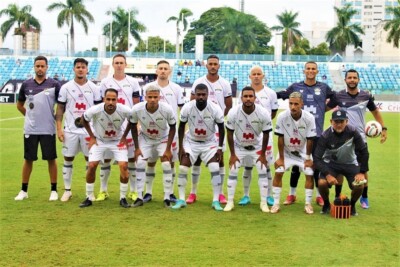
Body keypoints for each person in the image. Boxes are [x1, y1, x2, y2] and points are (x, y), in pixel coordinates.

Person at [326, 69, 387, 209]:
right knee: (340, 168)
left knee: (363, 169)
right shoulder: (338, 95)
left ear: (358, 80)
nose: (352, 80)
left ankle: (364, 197)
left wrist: (383, 128)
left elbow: (375, 111)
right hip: (341, 138)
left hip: (360, 138)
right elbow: (325, 108)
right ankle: (337, 195)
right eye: (349, 78)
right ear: (345, 80)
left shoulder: (365, 95)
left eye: (354, 77)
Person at [277, 61, 334, 207]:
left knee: (315, 165)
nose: (310, 71)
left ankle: (318, 195)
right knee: (296, 166)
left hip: (317, 133)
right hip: (298, 134)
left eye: (313, 69)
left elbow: (335, 99)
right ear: (304, 71)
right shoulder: (296, 87)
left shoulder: (323, 87)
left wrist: (323, 109)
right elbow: (283, 94)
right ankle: (292, 194)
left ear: (317, 71)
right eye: (308, 68)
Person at [172, 83, 225, 211]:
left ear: (207, 95)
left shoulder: (215, 108)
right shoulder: (187, 107)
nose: (201, 97)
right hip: (191, 142)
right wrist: (181, 147)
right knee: (183, 168)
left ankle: (215, 200)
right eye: (198, 94)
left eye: (203, 94)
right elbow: (181, 127)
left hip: (209, 143)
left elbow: (222, 129)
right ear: (194, 95)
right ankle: (181, 199)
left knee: (214, 168)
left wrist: (219, 148)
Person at [187, 54, 233, 204]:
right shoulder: (198, 82)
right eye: (210, 64)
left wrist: (216, 119)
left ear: (219, 66)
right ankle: (193, 192)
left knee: (219, 160)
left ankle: (220, 193)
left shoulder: (225, 84)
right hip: (199, 126)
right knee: (197, 160)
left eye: (215, 64)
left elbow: (229, 105)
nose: (213, 66)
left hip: (217, 127)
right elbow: (192, 103)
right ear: (206, 65)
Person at [55, 58, 102, 202]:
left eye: (83, 67)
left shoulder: (94, 88)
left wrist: (97, 132)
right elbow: (60, 108)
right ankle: (67, 191)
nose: (80, 69)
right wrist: (59, 129)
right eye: (78, 67)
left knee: (91, 161)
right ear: (74, 69)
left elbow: (99, 111)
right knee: (68, 159)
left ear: (87, 69)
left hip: (89, 132)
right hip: (70, 130)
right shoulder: (66, 87)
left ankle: (89, 192)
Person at [15, 56, 61, 201]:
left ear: (47, 67)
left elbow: (61, 106)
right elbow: (19, 105)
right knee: (28, 159)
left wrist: (56, 120)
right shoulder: (26, 84)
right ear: (34, 67)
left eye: (42, 66)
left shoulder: (54, 84)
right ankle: (23, 191)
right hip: (31, 129)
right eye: (37, 66)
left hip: (48, 129)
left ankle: (53, 190)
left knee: (51, 159)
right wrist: (30, 117)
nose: (40, 68)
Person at [97, 54, 141, 202]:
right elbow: (98, 104)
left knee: (130, 160)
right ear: (113, 64)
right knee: (105, 160)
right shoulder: (105, 82)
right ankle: (103, 190)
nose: (119, 65)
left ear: (126, 64)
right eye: (116, 63)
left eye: (122, 63)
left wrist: (138, 123)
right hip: (107, 126)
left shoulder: (133, 82)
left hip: (127, 126)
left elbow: (136, 105)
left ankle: (133, 191)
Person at [79, 88, 132, 208]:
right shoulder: (95, 110)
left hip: (117, 141)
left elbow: (132, 121)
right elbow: (84, 119)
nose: (111, 102)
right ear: (104, 99)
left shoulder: (124, 110)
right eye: (108, 99)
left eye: (114, 99)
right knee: (92, 166)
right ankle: (88, 197)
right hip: (99, 140)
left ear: (117, 100)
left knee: (123, 166)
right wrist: (92, 137)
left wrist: (124, 137)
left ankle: (122, 198)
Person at [141, 60, 185, 203]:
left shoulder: (177, 88)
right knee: (150, 162)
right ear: (156, 71)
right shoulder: (148, 87)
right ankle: (148, 193)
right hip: (150, 132)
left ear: (170, 71)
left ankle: (170, 193)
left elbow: (182, 110)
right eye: (160, 68)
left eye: (166, 68)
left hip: (169, 132)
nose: (163, 71)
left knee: (170, 162)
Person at [224, 87, 272, 212]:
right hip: (239, 147)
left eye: (251, 96)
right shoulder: (234, 112)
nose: (248, 99)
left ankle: (263, 203)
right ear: (241, 98)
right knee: (233, 171)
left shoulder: (263, 113)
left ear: (255, 98)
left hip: (256, 147)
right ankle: (229, 202)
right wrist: (233, 154)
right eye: (246, 96)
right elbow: (229, 133)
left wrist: (262, 154)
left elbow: (266, 134)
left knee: (262, 170)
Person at [127, 85, 176, 208]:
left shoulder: (167, 109)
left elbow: (173, 127)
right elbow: (133, 126)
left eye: (155, 97)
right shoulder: (137, 109)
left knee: (166, 164)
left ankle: (166, 198)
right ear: (145, 97)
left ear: (159, 97)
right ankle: (139, 196)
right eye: (150, 97)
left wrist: (168, 148)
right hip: (145, 138)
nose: (153, 99)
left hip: (162, 139)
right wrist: (137, 148)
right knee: (141, 163)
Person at [236, 66, 278, 207]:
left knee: (265, 166)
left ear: (263, 76)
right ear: (249, 76)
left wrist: (261, 126)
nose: (256, 76)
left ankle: (269, 196)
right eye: (253, 74)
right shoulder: (244, 93)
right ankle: (246, 195)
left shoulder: (270, 93)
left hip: (265, 135)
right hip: (246, 135)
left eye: (258, 74)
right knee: (247, 167)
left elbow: (273, 113)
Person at [314, 110, 369, 216]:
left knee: (360, 185)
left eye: (341, 121)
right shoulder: (325, 135)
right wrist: (327, 174)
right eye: (336, 122)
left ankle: (351, 206)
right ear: (331, 121)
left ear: (346, 121)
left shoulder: (353, 132)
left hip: (350, 164)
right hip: (331, 164)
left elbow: (364, 152)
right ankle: (326, 204)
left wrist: (362, 172)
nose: (339, 124)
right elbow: (317, 158)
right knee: (321, 183)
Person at [270, 92, 316, 214]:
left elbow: (310, 139)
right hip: (286, 152)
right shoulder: (282, 116)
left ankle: (308, 204)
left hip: (302, 152)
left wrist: (307, 158)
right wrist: (281, 158)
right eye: (290, 103)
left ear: (302, 104)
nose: (293, 107)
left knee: (309, 172)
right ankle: (275, 204)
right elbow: (280, 138)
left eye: (296, 104)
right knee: (279, 171)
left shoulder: (309, 118)